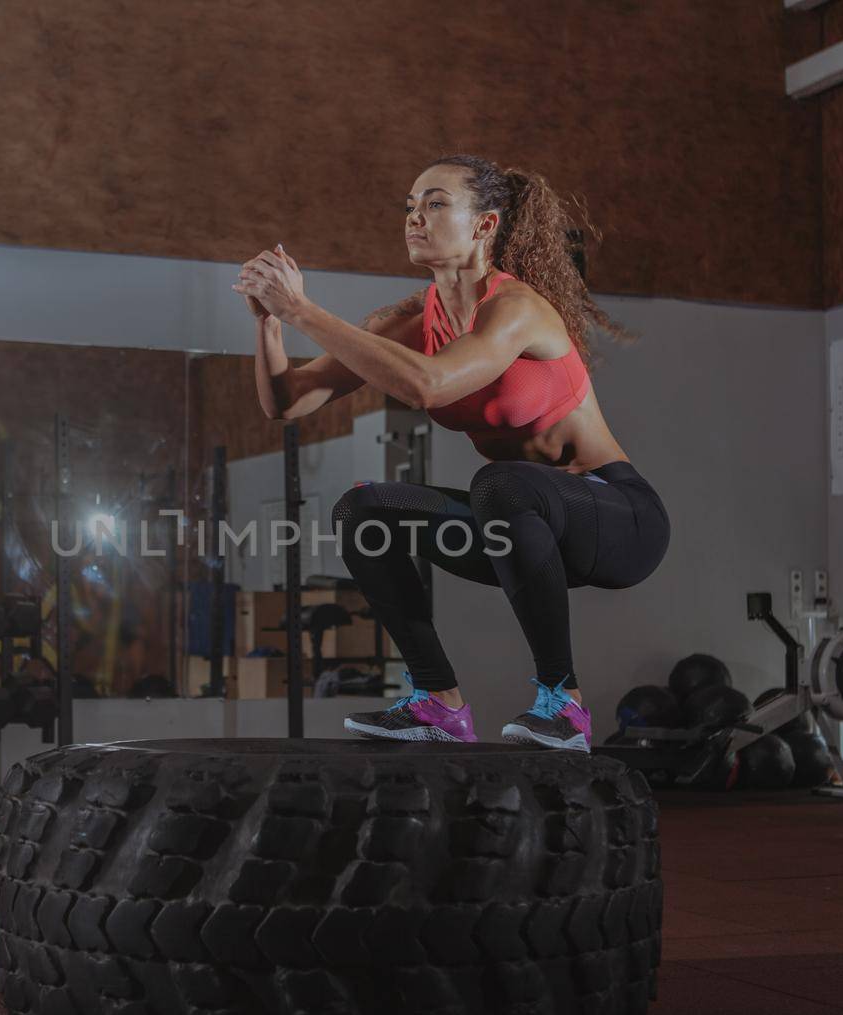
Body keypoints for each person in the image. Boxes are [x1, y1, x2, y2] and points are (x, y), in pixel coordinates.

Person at [233, 155, 669, 751]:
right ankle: (437, 702)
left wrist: (302, 309)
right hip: (517, 531)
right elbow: (287, 402)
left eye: (435, 203)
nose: (416, 217)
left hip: (615, 518)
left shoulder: (516, 308)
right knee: (364, 510)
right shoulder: (417, 321)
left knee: (502, 483)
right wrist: (270, 325)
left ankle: (562, 705)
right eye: (411, 206)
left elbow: (429, 386)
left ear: (485, 225)